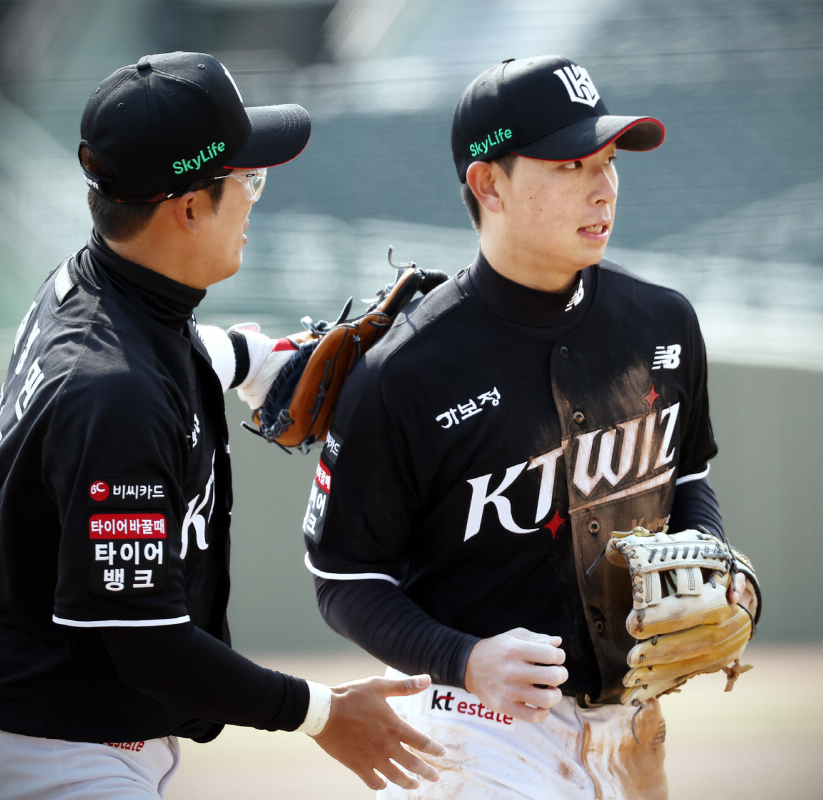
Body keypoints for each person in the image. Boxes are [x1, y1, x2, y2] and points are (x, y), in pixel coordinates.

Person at [0, 51, 443, 799]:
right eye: (248, 180)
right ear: (189, 206)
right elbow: (147, 645)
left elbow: (173, 347)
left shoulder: (92, 284)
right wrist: (323, 715)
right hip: (53, 762)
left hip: (60, 738)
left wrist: (257, 357)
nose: (256, 199)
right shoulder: (115, 398)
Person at [302, 55, 758, 798]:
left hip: (632, 730)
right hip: (473, 725)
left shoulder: (663, 321)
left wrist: (711, 557)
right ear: (489, 184)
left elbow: (690, 479)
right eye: (571, 163)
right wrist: (462, 657)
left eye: (608, 161)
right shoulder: (407, 371)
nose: (603, 185)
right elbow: (345, 578)